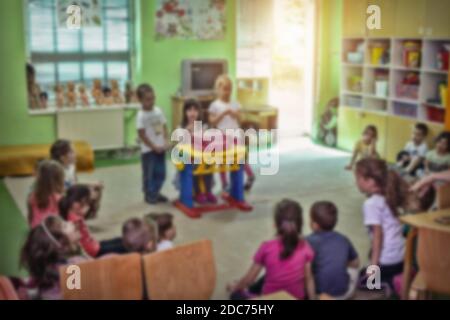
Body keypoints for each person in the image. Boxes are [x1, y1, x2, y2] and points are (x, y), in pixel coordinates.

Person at [227, 199, 316, 300]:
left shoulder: (267, 247)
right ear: (300, 224)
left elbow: (249, 280)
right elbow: (309, 279)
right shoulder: (306, 247)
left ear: (275, 224)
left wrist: (237, 287)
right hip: (296, 298)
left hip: (270, 298)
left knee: (235, 295)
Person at [355, 158, 407, 291]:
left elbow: (378, 237)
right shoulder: (389, 194)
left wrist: (373, 267)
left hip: (388, 260)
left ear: (370, 181)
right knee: (362, 273)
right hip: (402, 256)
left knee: (362, 283)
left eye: (358, 178)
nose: (356, 182)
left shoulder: (371, 204)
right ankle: (399, 275)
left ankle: (389, 283)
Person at [20, 215, 85, 300]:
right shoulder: (73, 268)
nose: (70, 222)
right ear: (60, 243)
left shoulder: (44, 270)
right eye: (65, 226)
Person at [209, 75, 255, 191]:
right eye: (224, 89)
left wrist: (236, 114)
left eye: (229, 89)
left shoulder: (235, 104)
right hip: (221, 137)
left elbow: (241, 120)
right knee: (222, 160)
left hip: (235, 136)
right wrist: (223, 114)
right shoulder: (215, 105)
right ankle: (224, 183)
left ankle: (250, 175)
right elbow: (212, 121)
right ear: (218, 90)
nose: (227, 92)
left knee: (239, 158)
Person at [306, 201, 359, 299]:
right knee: (353, 271)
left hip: (319, 294)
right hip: (343, 293)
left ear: (315, 224)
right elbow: (355, 263)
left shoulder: (308, 241)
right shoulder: (343, 239)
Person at [59, 185, 127, 257]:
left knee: (121, 240)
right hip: (94, 251)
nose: (85, 207)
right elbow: (77, 243)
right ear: (72, 201)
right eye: (82, 203)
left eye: (86, 204)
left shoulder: (73, 213)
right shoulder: (75, 220)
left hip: (94, 245)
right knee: (123, 246)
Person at [50, 139, 103, 219]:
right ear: (62, 157)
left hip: (71, 191)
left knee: (97, 187)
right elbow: (61, 191)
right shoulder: (56, 170)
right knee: (89, 191)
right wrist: (88, 190)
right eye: (71, 152)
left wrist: (91, 185)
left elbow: (75, 182)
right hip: (62, 197)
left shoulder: (72, 166)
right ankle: (70, 215)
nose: (75, 154)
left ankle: (87, 214)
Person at [136, 84, 169, 204]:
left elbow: (164, 126)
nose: (151, 101)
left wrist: (166, 141)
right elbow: (142, 134)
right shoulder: (141, 115)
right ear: (140, 100)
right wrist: (153, 147)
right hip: (148, 151)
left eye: (153, 98)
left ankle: (156, 192)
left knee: (161, 174)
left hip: (161, 148)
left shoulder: (158, 110)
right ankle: (149, 195)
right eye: (148, 99)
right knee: (149, 174)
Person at [28, 160, 65, 228]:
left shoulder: (33, 196)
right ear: (60, 179)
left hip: (36, 230)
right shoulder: (60, 198)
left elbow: (30, 217)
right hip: (53, 233)